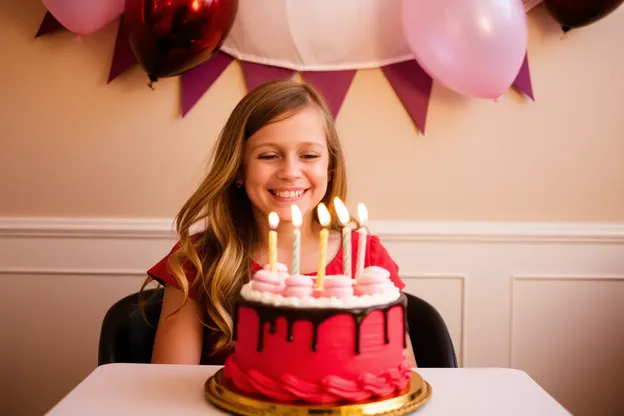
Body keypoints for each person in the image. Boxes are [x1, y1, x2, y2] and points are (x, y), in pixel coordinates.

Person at [144, 79, 417, 368]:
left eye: (309, 155)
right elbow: (171, 379)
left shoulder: (366, 257)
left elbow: (403, 372)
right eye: (269, 155)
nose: (290, 172)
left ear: (330, 166)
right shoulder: (199, 259)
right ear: (238, 168)